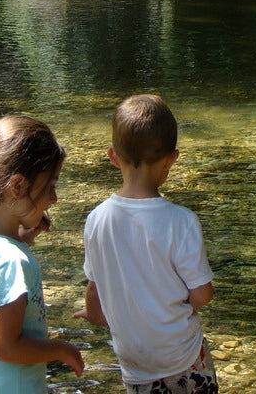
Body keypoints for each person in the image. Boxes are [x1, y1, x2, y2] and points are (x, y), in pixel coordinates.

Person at [73, 94, 218, 394]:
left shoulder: (96, 220)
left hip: (135, 365)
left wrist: (94, 314)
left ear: (113, 157)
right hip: (184, 357)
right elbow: (202, 295)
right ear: (171, 160)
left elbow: (95, 288)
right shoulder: (182, 221)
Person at [0, 115, 84, 394]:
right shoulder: (10, 261)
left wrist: (22, 238)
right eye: (50, 185)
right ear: (18, 186)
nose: (54, 199)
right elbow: (6, 347)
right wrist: (61, 349)